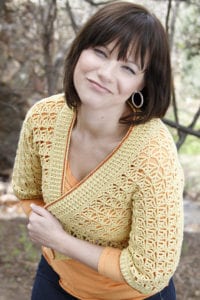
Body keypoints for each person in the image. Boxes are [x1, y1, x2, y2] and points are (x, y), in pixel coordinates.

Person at [12, 1, 184, 300]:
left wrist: (61, 241)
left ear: (142, 85)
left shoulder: (153, 155)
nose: (104, 73)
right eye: (100, 52)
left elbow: (151, 272)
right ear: (80, 50)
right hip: (55, 281)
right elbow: (27, 192)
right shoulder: (43, 117)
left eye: (127, 68)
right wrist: (52, 240)